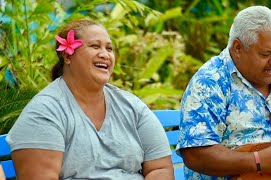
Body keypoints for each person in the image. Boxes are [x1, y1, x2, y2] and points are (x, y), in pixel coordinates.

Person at [6, 19, 174, 180]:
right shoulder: (44, 111)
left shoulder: (132, 106)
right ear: (67, 56)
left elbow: (160, 168)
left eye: (109, 49)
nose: (105, 54)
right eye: (95, 46)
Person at [176, 5, 271, 180]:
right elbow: (195, 155)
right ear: (238, 48)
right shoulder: (210, 82)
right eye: (266, 53)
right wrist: (257, 160)